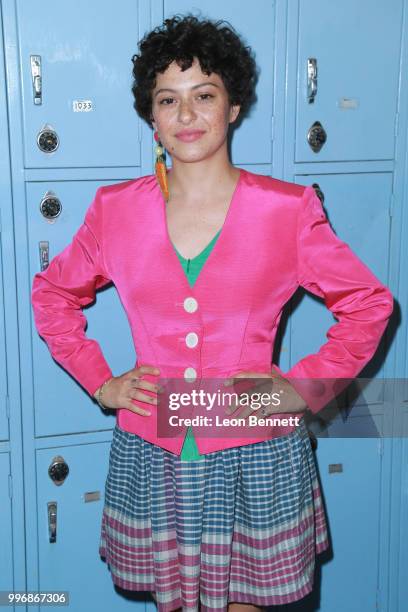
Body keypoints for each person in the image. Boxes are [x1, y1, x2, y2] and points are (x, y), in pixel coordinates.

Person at [31, 14, 394, 612]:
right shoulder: (114, 210)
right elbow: (52, 294)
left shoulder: (288, 210)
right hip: (156, 450)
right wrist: (103, 382)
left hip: (255, 452)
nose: (186, 115)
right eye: (167, 100)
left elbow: (369, 304)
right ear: (151, 116)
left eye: (204, 95)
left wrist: (304, 388)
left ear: (232, 106)